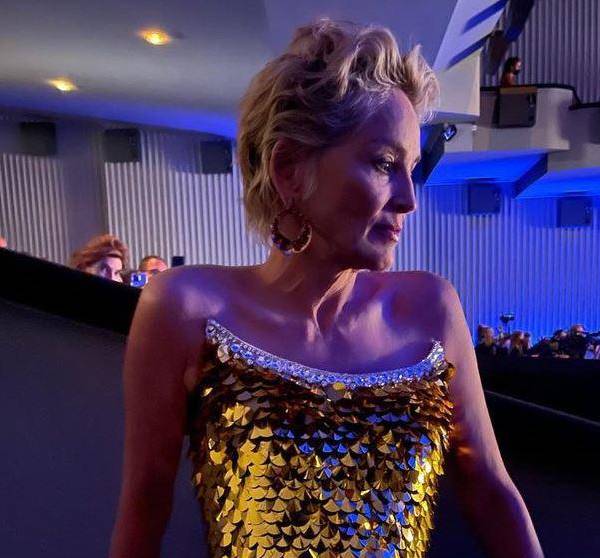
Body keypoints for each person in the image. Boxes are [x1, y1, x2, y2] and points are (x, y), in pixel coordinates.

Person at [110, 19, 543, 558]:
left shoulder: (431, 309)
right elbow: (146, 504)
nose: (409, 199)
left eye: (412, 169)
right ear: (289, 169)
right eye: (385, 164)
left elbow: (491, 492)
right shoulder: (185, 307)